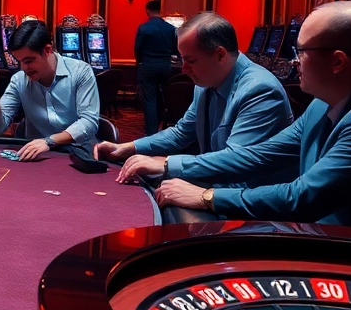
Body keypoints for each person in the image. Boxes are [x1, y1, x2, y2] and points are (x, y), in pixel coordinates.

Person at [145, 1, 351, 239]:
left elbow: (303, 197)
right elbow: (261, 155)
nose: (294, 60)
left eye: (302, 50)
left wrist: (205, 196)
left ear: (337, 61)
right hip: (333, 242)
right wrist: (170, 165)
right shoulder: (324, 104)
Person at [104, 12, 293, 193]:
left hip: (254, 208)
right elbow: (181, 133)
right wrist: (129, 147)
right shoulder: (206, 82)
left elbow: (234, 161)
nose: (184, 69)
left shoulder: (260, 90)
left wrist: (166, 163)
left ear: (220, 55)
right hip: (218, 185)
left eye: (191, 61)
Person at [0, 19, 100, 161]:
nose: (23, 68)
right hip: (37, 157)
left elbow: (89, 123)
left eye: (28, 61)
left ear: (47, 50)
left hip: (79, 154)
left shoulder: (81, 72)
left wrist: (48, 141)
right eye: (19, 62)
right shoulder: (19, 80)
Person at [134, 0, 177, 135]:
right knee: (165, 97)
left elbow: (137, 49)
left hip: (148, 66)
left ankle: (151, 132)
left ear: (147, 10)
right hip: (166, 66)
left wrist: (140, 62)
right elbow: (175, 49)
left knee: (150, 100)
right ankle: (163, 127)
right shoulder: (171, 28)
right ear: (160, 10)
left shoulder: (144, 28)